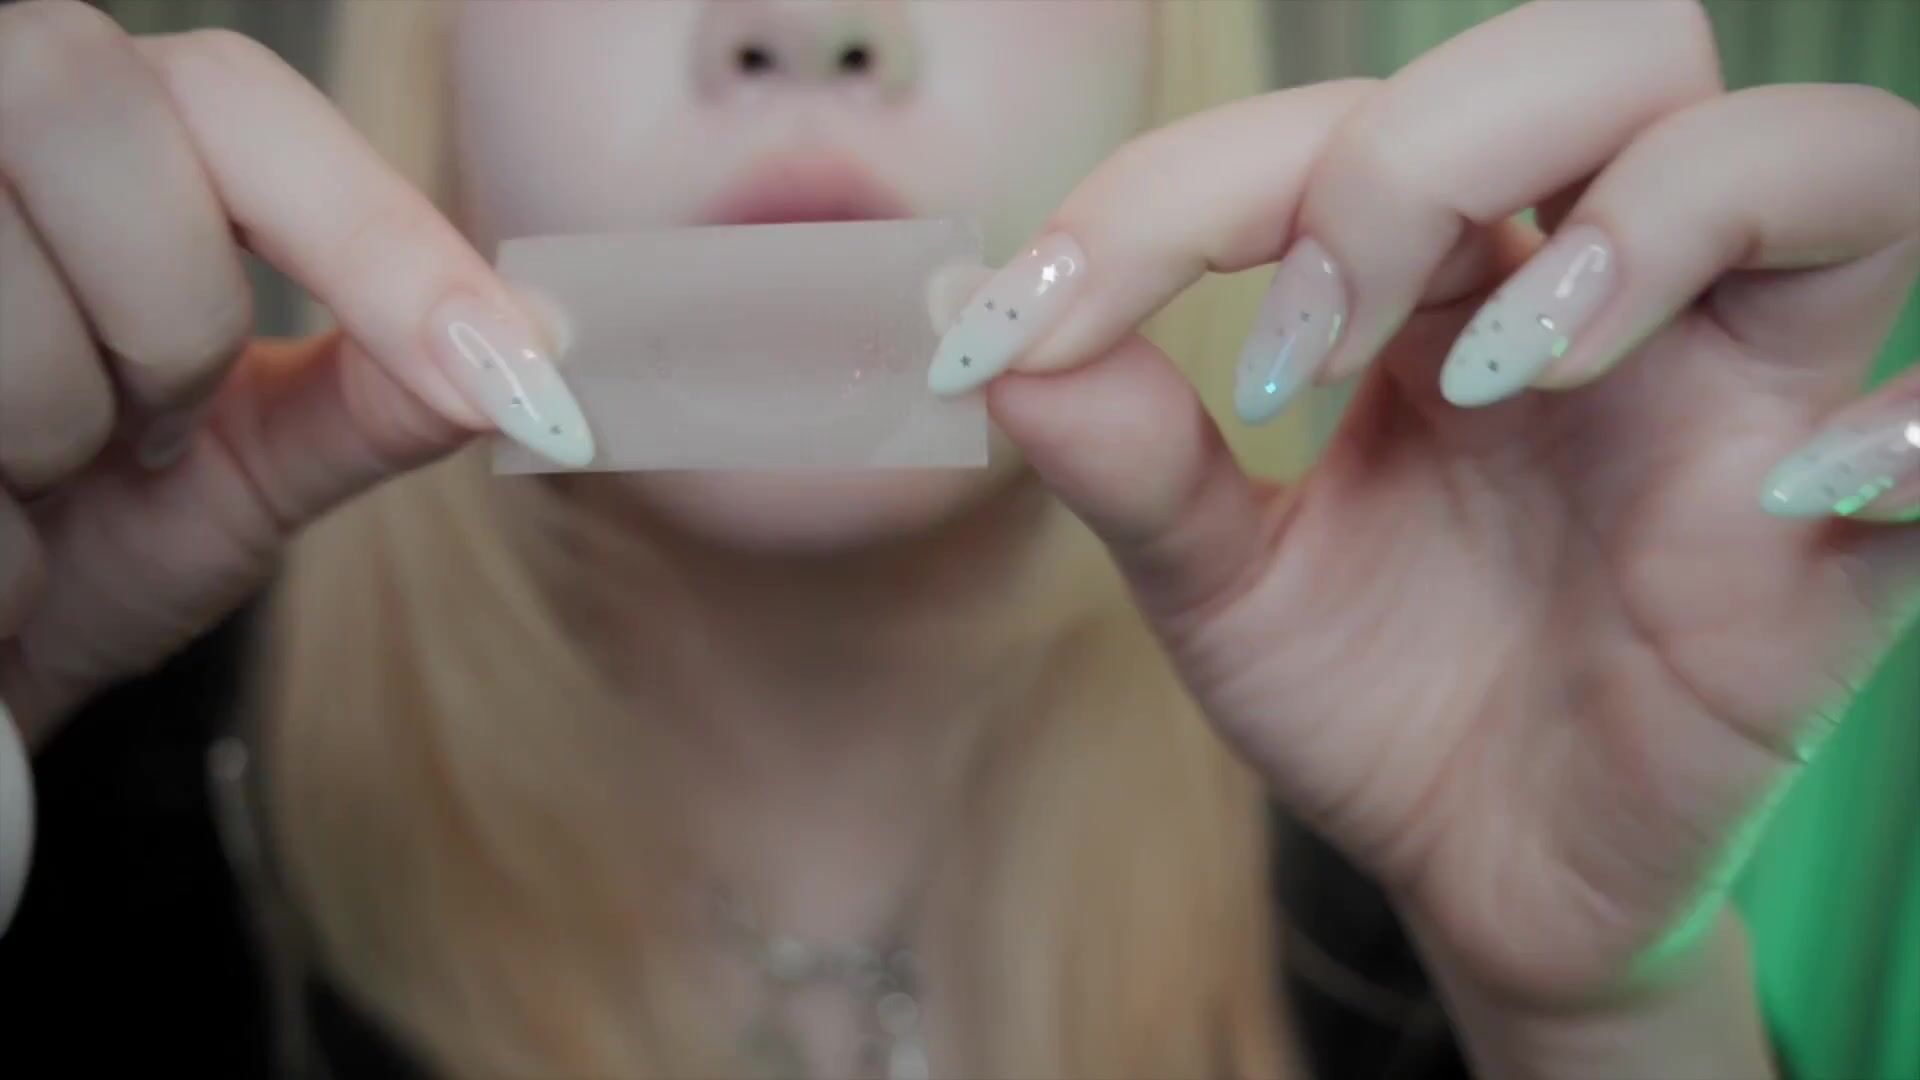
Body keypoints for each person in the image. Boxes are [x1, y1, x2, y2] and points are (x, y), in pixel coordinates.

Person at [0, 0, 1916, 1076]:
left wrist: (1602, 1020)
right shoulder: (70, 811)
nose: (807, 29)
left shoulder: (1430, 885)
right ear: (431, 61)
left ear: (1166, 48)